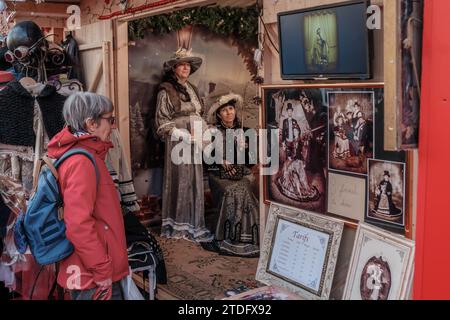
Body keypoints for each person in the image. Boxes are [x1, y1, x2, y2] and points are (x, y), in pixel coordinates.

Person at [47, 92, 129, 300]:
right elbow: (78, 224)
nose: (112, 125)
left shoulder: (82, 154)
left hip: (91, 268)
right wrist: (102, 270)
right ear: (91, 123)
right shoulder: (82, 162)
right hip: (93, 275)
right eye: (109, 119)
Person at [155, 48, 213, 242]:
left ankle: (195, 223)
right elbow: (162, 120)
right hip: (179, 138)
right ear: (173, 68)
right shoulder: (166, 90)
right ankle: (179, 224)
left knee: (194, 177)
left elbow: (198, 112)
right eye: (182, 64)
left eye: (188, 65)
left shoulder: (192, 89)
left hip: (195, 137)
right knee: (182, 178)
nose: (186, 68)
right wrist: (182, 134)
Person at [203, 92, 259, 257]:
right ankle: (226, 236)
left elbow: (250, 161)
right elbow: (206, 160)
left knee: (241, 190)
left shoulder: (245, 131)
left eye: (231, 109)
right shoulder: (212, 132)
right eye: (224, 110)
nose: (229, 113)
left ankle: (246, 236)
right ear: (218, 114)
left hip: (240, 173)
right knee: (230, 191)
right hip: (218, 174)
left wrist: (245, 147)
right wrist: (221, 161)